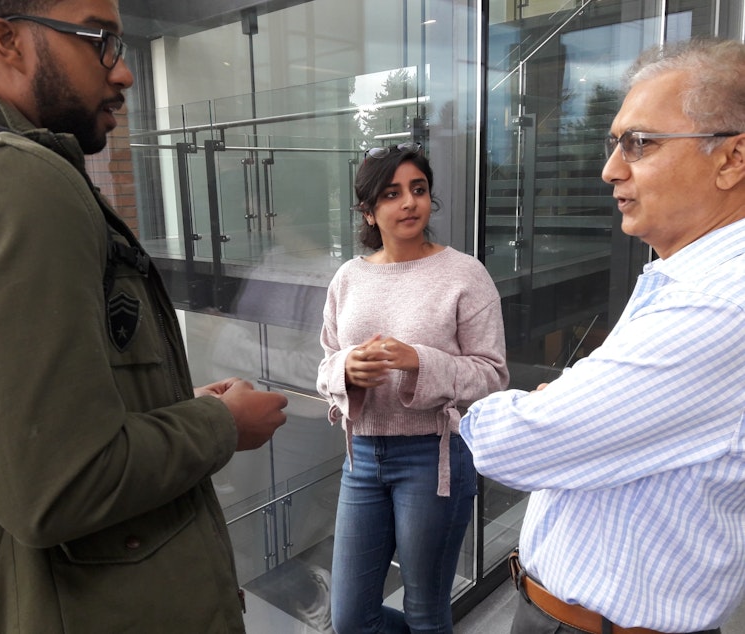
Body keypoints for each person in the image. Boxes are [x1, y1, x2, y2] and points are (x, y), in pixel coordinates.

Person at [0, 1, 288, 632]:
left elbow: (28, 427)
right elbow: (58, 485)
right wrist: (220, 424)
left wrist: (170, 405)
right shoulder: (13, 184)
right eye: (99, 39)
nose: (124, 72)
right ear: (8, 41)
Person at [459, 37, 745, 634]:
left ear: (731, 160)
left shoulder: (716, 305)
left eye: (640, 143)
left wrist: (530, 405)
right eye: (614, 142)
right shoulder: (690, 279)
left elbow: (511, 445)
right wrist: (572, 398)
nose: (611, 168)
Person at [317, 143, 509, 633]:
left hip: (434, 458)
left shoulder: (465, 274)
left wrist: (420, 361)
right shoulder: (348, 278)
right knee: (350, 619)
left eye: (418, 190)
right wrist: (346, 371)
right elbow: (324, 366)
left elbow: (491, 376)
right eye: (392, 193)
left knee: (426, 610)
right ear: (368, 209)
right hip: (360, 457)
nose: (409, 203)